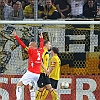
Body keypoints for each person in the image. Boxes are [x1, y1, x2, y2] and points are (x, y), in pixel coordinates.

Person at [12, 30, 44, 100]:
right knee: (31, 87)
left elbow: (22, 45)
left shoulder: (31, 51)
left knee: (19, 85)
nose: (28, 46)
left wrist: (16, 36)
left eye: (29, 45)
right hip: (37, 74)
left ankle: (18, 99)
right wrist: (41, 38)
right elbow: (41, 45)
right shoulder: (40, 51)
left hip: (31, 72)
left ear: (33, 46)